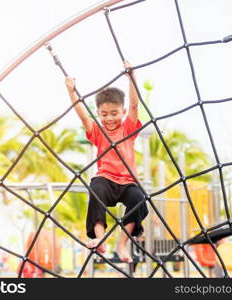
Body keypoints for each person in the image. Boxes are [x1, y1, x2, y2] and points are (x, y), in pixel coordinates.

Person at [65, 61, 148, 263]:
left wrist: (132, 78)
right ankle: (100, 238)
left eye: (114, 113)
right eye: (104, 114)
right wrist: (71, 92)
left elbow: (136, 104)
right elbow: (83, 116)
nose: (109, 118)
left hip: (128, 182)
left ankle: (121, 245)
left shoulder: (127, 128)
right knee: (96, 189)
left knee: (139, 199)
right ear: (98, 113)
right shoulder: (98, 131)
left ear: (123, 111)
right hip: (106, 179)